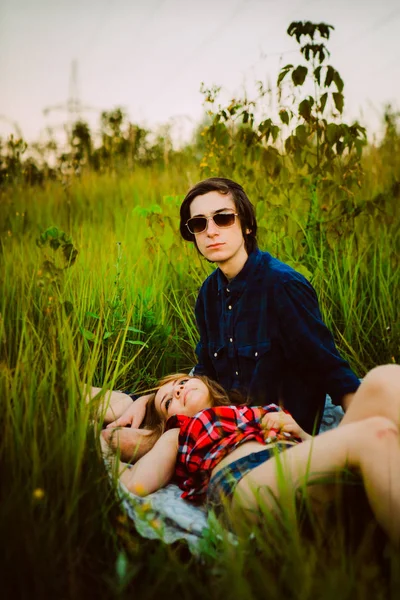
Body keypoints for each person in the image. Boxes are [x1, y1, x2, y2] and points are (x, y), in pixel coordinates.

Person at [103, 177, 361, 458]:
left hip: (275, 434)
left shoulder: (283, 286)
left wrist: (355, 441)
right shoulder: (208, 294)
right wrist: (150, 400)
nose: (211, 231)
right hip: (222, 419)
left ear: (247, 225)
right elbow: (206, 371)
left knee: (134, 441)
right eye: (199, 224)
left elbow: (332, 372)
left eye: (223, 218)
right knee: (113, 405)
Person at [101, 365, 400, 545]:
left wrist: (299, 433)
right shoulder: (178, 432)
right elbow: (135, 485)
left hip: (296, 465)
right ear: (167, 419)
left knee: (384, 380)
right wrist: (103, 446)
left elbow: (326, 449)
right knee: (375, 433)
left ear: (203, 381)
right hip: (243, 484)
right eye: (168, 401)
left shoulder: (246, 409)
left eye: (181, 383)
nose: (178, 391)